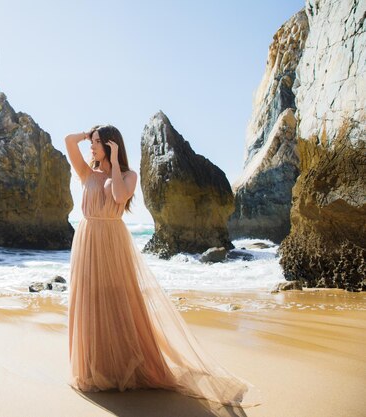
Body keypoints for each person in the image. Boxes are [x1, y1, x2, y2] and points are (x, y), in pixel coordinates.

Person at [65, 125, 261, 407]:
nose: (91, 148)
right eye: (92, 143)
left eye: (97, 144)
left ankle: (117, 366)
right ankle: (92, 367)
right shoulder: (86, 173)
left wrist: (116, 159)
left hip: (113, 239)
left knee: (118, 301)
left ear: (110, 146)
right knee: (89, 301)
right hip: (87, 240)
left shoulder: (129, 175)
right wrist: (88, 135)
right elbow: (68, 141)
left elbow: (119, 196)